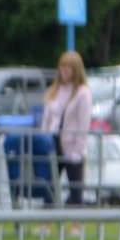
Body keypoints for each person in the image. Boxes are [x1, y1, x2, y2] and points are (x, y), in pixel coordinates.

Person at [40, 49, 92, 206]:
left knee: (75, 186)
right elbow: (47, 119)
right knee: (49, 183)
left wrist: (78, 150)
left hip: (72, 144)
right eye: (62, 67)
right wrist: (43, 141)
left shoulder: (83, 93)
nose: (63, 71)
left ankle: (76, 225)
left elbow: (84, 123)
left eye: (67, 68)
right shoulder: (54, 91)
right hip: (52, 142)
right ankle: (46, 222)